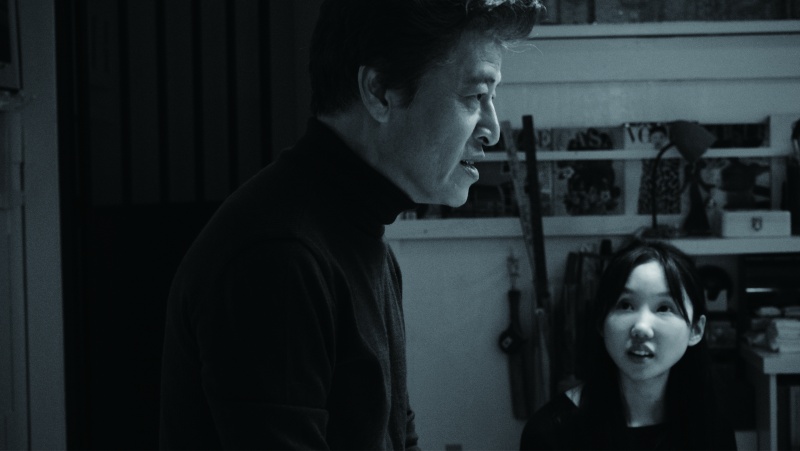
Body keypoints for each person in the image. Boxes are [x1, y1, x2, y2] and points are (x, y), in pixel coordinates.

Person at [159, 0, 542, 449]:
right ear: (379, 91)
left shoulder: (361, 237)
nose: (492, 130)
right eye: (475, 96)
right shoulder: (279, 257)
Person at [520, 239, 736, 450]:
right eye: (625, 305)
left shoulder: (712, 429)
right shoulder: (550, 433)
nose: (641, 327)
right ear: (601, 321)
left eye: (664, 308)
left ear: (696, 330)